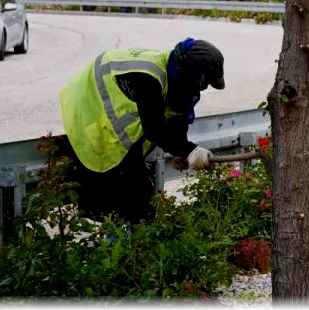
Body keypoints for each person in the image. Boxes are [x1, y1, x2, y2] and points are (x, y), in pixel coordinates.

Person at [58, 39, 226, 224]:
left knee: (136, 199)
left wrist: (179, 150)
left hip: (115, 119)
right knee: (121, 198)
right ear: (189, 72)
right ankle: (114, 235)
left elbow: (177, 114)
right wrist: (189, 150)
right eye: (203, 82)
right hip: (90, 109)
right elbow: (154, 128)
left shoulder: (176, 75)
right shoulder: (148, 77)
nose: (202, 88)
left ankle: (127, 239)